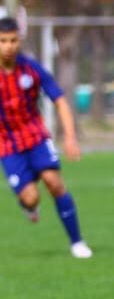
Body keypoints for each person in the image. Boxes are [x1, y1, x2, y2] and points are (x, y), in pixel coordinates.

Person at [0, 17, 90, 258]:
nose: (8, 46)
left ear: (19, 40)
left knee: (54, 182)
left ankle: (77, 242)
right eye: (3, 41)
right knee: (30, 198)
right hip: (8, 145)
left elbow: (59, 100)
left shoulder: (31, 69)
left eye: (13, 40)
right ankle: (29, 206)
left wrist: (70, 137)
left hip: (36, 137)